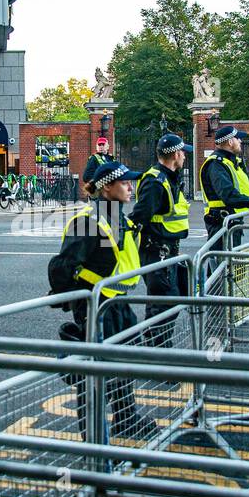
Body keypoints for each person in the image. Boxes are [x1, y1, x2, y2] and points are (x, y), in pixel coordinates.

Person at [56, 161, 151, 438]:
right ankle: (94, 439)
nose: (130, 187)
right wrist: (75, 301)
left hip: (117, 302)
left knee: (121, 364)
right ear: (107, 187)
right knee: (93, 375)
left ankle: (126, 419)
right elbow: (63, 265)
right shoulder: (88, 221)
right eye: (124, 183)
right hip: (95, 307)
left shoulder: (118, 216)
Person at [130, 134, 191, 347]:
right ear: (175, 154)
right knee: (162, 304)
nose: (184, 156)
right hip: (156, 251)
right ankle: (156, 351)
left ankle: (157, 348)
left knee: (169, 301)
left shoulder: (170, 178)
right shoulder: (156, 181)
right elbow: (139, 216)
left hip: (168, 251)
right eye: (183, 152)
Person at [199, 125, 249, 249]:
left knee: (230, 263)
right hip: (220, 221)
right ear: (230, 141)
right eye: (237, 138)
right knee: (221, 263)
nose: (240, 141)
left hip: (232, 220)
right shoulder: (216, 164)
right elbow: (229, 196)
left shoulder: (234, 163)